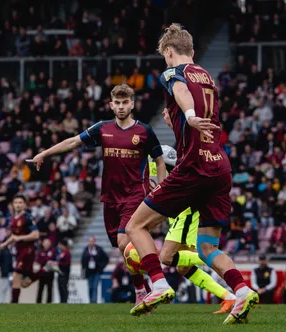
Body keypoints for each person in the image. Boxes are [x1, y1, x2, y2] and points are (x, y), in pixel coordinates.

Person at [125, 24, 258, 324]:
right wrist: (180, 119)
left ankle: (159, 284)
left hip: (194, 167)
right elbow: (196, 116)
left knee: (136, 226)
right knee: (207, 247)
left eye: (165, 56)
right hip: (219, 166)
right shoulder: (207, 76)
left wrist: (188, 115)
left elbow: (182, 92)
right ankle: (241, 290)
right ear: (193, 51)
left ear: (169, 52)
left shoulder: (173, 73)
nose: (166, 60)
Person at [27, 83, 166, 307]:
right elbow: (73, 141)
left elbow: (159, 160)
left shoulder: (144, 131)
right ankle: (143, 288)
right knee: (122, 246)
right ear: (111, 105)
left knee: (124, 241)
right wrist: (45, 153)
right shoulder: (103, 128)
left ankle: (150, 286)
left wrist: (160, 189)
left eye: (125, 102)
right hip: (109, 198)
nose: (121, 107)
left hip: (134, 195)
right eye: (117, 103)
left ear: (132, 104)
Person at [149, 142, 236, 314]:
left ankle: (215, 256)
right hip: (180, 213)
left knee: (166, 257)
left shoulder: (160, 163)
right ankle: (229, 297)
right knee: (183, 268)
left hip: (184, 213)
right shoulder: (159, 164)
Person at [0, 195, 40, 303]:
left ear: (25, 205)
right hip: (19, 250)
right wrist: (5, 243)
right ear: (13, 205)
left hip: (27, 250)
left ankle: (14, 304)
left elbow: (36, 235)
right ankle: (43, 272)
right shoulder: (13, 218)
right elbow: (14, 236)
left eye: (20, 202)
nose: (18, 205)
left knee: (16, 276)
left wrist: (20, 238)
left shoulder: (28, 217)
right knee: (24, 283)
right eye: (16, 203)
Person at [81, 236, 109, 303]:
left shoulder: (99, 249)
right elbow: (83, 261)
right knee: (90, 287)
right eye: (90, 241)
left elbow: (106, 259)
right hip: (89, 272)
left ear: (94, 241)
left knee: (95, 286)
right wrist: (83, 270)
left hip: (96, 271)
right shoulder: (86, 249)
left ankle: (94, 301)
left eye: (92, 241)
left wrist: (101, 266)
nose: (91, 242)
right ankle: (91, 301)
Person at [57, 238, 71, 303]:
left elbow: (67, 263)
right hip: (60, 273)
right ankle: (62, 301)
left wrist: (58, 263)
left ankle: (64, 301)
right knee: (60, 288)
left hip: (64, 273)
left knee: (64, 288)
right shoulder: (62, 252)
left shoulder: (67, 253)